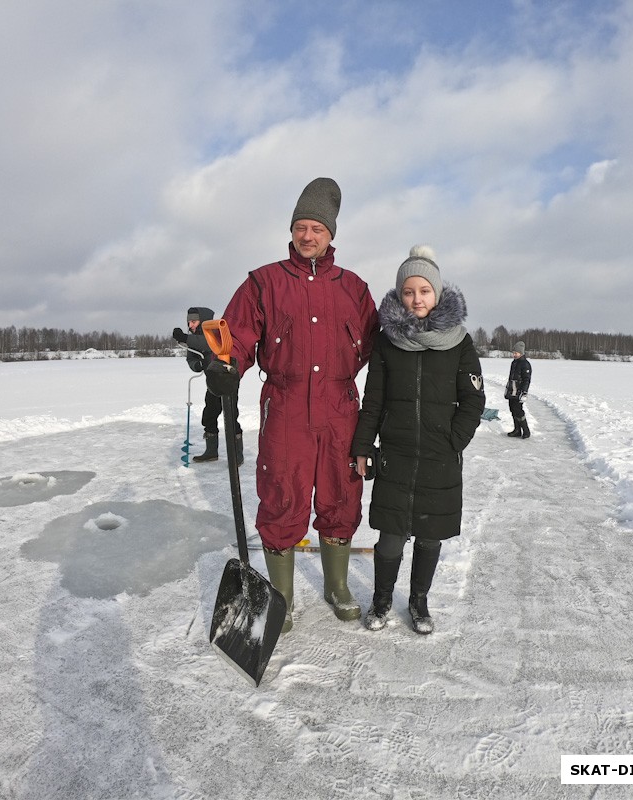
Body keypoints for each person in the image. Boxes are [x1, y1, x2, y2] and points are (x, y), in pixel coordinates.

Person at [205, 177, 378, 633]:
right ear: (292, 231)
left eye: (317, 228)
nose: (308, 236)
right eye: (301, 226)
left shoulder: (355, 289)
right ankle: (281, 594)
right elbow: (237, 336)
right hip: (285, 408)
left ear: (331, 234)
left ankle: (336, 585)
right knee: (282, 497)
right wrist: (226, 363)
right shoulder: (263, 282)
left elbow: (382, 347)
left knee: (342, 495)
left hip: (341, 409)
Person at [350, 245, 485, 634]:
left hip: (440, 458)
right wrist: (363, 445)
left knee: (429, 538)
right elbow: (373, 399)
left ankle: (419, 602)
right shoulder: (387, 341)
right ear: (400, 294)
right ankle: (380, 601)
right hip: (397, 455)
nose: (417, 299)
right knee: (390, 541)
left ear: (437, 294)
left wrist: (454, 440)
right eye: (409, 291)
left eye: (424, 290)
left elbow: (474, 398)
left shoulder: (459, 341)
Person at [173, 307, 243, 465]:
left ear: (202, 321)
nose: (191, 325)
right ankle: (211, 452)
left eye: (194, 321)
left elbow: (207, 344)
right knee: (209, 416)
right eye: (189, 322)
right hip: (212, 382)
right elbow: (191, 356)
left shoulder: (214, 331)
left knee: (231, 416)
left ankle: (237, 455)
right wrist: (195, 365)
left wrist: (185, 337)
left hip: (227, 379)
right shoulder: (192, 337)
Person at [505, 341, 532, 439]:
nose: (514, 354)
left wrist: (524, 392)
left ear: (521, 353)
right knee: (512, 409)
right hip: (512, 390)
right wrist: (508, 389)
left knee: (518, 411)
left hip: (519, 391)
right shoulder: (514, 363)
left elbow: (526, 380)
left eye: (516, 353)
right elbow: (511, 377)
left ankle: (526, 430)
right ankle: (517, 430)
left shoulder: (525, 364)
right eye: (513, 353)